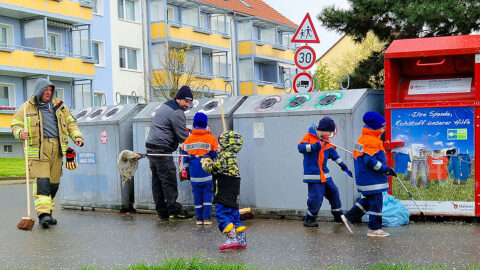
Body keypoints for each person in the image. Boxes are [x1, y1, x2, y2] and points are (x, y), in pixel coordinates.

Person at [11, 78, 84, 229]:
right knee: (42, 182)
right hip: (37, 151)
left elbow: (71, 123)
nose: (48, 93)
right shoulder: (26, 108)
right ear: (39, 90)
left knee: (53, 184)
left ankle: (48, 212)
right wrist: (20, 133)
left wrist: (77, 137)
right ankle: (43, 214)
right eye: (46, 90)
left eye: (50, 90)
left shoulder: (60, 106)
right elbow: (15, 124)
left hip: (57, 149)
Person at [145, 86, 194, 221]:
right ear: (178, 99)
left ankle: (162, 212)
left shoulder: (165, 106)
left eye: (190, 103)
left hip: (151, 148)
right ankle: (174, 211)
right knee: (169, 181)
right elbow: (182, 137)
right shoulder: (177, 112)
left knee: (157, 181)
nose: (187, 105)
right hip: (162, 150)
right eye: (186, 102)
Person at [344, 111, 395, 237]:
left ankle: (349, 217)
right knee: (377, 201)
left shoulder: (361, 139)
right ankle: (374, 229)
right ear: (375, 126)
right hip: (372, 180)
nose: (384, 130)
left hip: (364, 179)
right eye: (382, 127)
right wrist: (385, 169)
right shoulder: (372, 141)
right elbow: (370, 161)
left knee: (368, 200)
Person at [297, 117, 353, 227]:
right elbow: (301, 147)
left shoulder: (327, 141)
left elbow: (334, 155)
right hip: (313, 175)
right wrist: (315, 146)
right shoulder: (309, 137)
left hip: (325, 176)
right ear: (324, 129)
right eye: (330, 132)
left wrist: (343, 166)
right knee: (316, 198)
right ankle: (309, 219)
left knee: (334, 193)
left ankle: (338, 216)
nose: (331, 134)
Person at [201, 131, 246, 250]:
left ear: (226, 144)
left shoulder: (224, 155)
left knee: (222, 213)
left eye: (220, 144)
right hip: (234, 188)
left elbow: (214, 169)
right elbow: (220, 168)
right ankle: (241, 240)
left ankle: (232, 238)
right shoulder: (231, 155)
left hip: (224, 187)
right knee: (233, 214)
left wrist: (205, 163)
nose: (219, 146)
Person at [181, 112, 218, 225]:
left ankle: (198, 219)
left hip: (194, 175)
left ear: (194, 124)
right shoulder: (210, 139)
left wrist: (188, 173)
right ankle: (206, 219)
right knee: (207, 195)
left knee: (197, 196)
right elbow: (214, 156)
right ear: (206, 124)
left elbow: (185, 160)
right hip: (206, 174)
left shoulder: (188, 140)